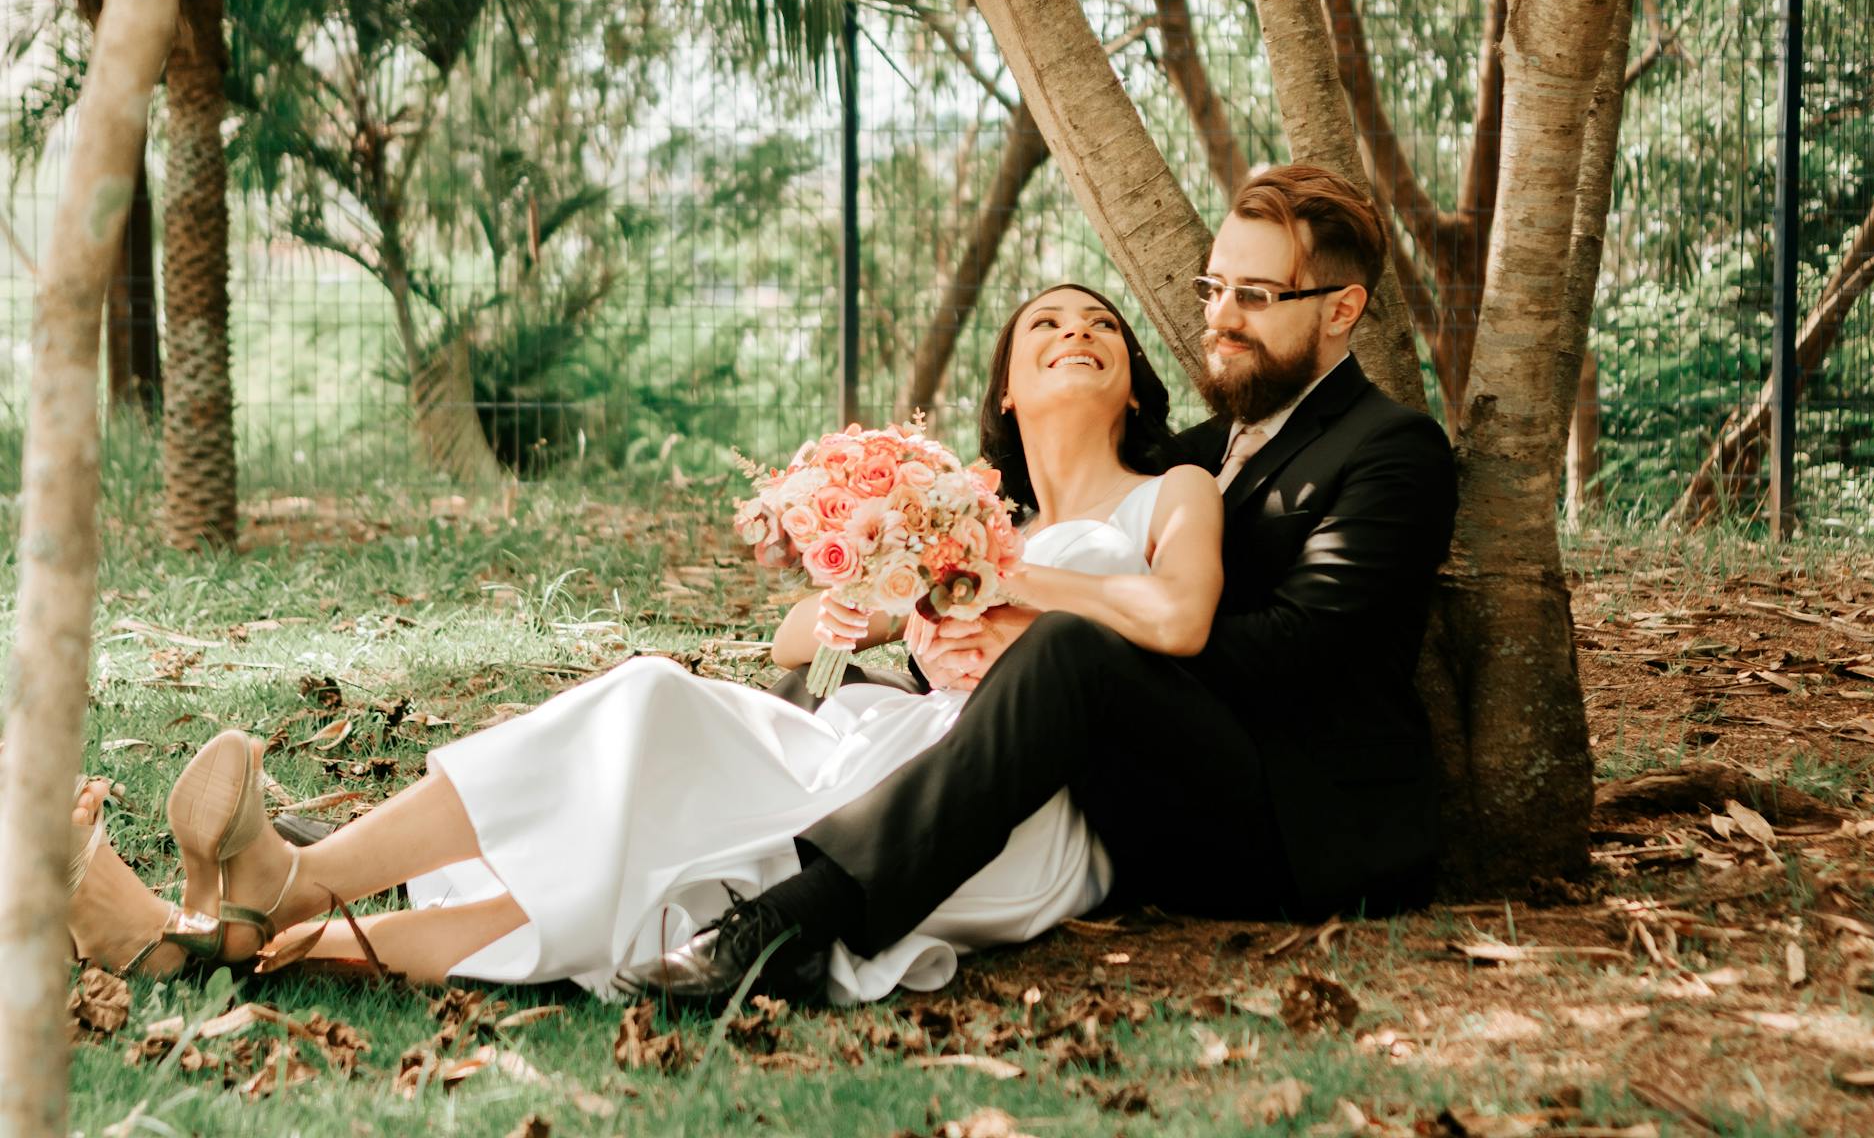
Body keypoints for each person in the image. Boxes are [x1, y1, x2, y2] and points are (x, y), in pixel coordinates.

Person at [56, 284, 1224, 1003]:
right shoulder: (956, 512)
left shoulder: (1170, 488)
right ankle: (247, 930)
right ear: (1008, 395)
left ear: (1132, 385)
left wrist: (1004, 574)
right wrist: (868, 597)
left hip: (1002, 806)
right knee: (649, 706)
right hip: (892, 728)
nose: (1078, 332)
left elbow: (1178, 620)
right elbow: (800, 649)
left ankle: (279, 894)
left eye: (1103, 325)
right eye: (1047, 326)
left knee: (674, 843)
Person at [627, 162, 1457, 1003]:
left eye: (1255, 295)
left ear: (1341, 309)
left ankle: (800, 924)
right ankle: (698, 843)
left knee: (1065, 646)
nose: (1219, 318)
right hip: (1140, 786)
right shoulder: (1195, 455)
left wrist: (1060, 640)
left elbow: (1298, 653)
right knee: (832, 687)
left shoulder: (1392, 449)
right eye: (1215, 288)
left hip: (1298, 826)